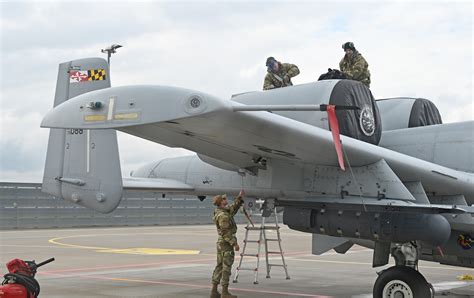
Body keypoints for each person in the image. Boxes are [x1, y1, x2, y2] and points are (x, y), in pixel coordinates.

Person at [210, 191, 244, 298]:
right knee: (226, 267)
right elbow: (225, 232)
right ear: (221, 202)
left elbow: (232, 209)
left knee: (219, 266)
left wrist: (239, 198)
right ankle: (224, 292)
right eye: (224, 199)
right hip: (226, 244)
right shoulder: (223, 216)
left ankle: (214, 291)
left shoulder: (221, 211)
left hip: (221, 243)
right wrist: (234, 243)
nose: (226, 200)